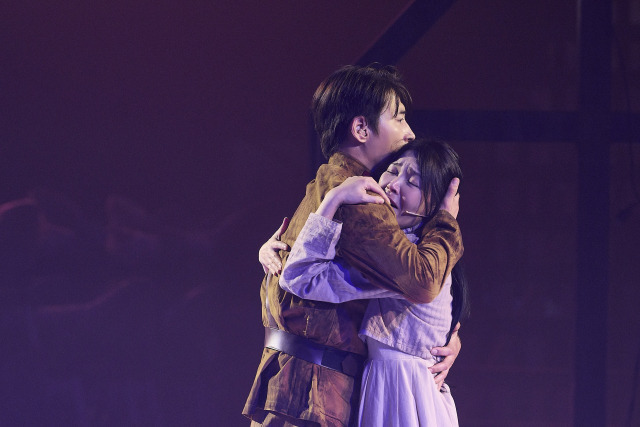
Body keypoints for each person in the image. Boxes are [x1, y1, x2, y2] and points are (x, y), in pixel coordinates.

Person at [243, 64, 464, 427]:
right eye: (399, 118)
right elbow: (422, 280)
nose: (409, 132)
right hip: (314, 393)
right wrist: (446, 220)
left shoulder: (330, 181)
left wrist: (445, 334)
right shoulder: (360, 198)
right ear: (361, 128)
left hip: (303, 388)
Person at [273, 138, 469, 426]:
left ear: (433, 206)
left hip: (403, 393)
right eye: (393, 170)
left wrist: (334, 198)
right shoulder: (409, 250)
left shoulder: (405, 258)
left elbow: (300, 278)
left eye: (413, 181)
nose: (393, 185)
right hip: (396, 387)